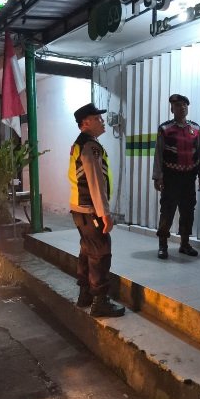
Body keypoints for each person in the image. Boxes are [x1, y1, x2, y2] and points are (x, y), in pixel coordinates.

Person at [68, 103, 125, 318]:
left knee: (87, 251)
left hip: (80, 210)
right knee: (100, 254)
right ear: (86, 123)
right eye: (98, 119)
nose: (102, 122)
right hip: (91, 209)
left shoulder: (80, 143)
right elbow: (95, 182)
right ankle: (100, 302)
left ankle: (85, 295)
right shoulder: (90, 146)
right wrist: (104, 214)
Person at [152, 94, 200, 259]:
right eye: (177, 105)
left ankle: (185, 244)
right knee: (167, 212)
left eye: (184, 105)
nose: (182, 108)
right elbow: (158, 154)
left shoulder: (195, 129)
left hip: (189, 178)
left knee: (188, 212)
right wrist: (157, 176)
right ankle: (163, 245)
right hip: (171, 178)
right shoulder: (165, 129)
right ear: (172, 109)